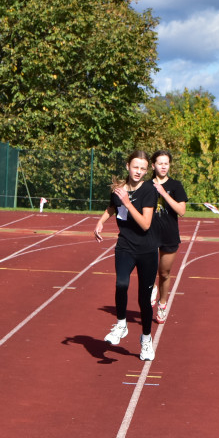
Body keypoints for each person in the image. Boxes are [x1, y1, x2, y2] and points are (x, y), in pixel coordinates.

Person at [94, 150, 157, 361]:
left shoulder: (149, 190)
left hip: (147, 250)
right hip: (125, 247)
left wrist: (128, 202)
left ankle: (146, 339)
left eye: (142, 168)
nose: (138, 171)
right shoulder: (118, 190)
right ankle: (121, 324)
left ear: (146, 171)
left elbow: (146, 224)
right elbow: (112, 207)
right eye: (135, 167)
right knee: (121, 283)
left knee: (143, 300)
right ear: (127, 166)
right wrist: (101, 221)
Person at [147, 150, 188, 324]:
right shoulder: (146, 185)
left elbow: (181, 211)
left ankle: (162, 304)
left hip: (169, 235)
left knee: (164, 272)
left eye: (166, 163)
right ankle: (152, 287)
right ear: (153, 165)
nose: (163, 166)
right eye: (160, 163)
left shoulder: (176, 186)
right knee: (147, 270)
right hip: (149, 234)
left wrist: (164, 193)